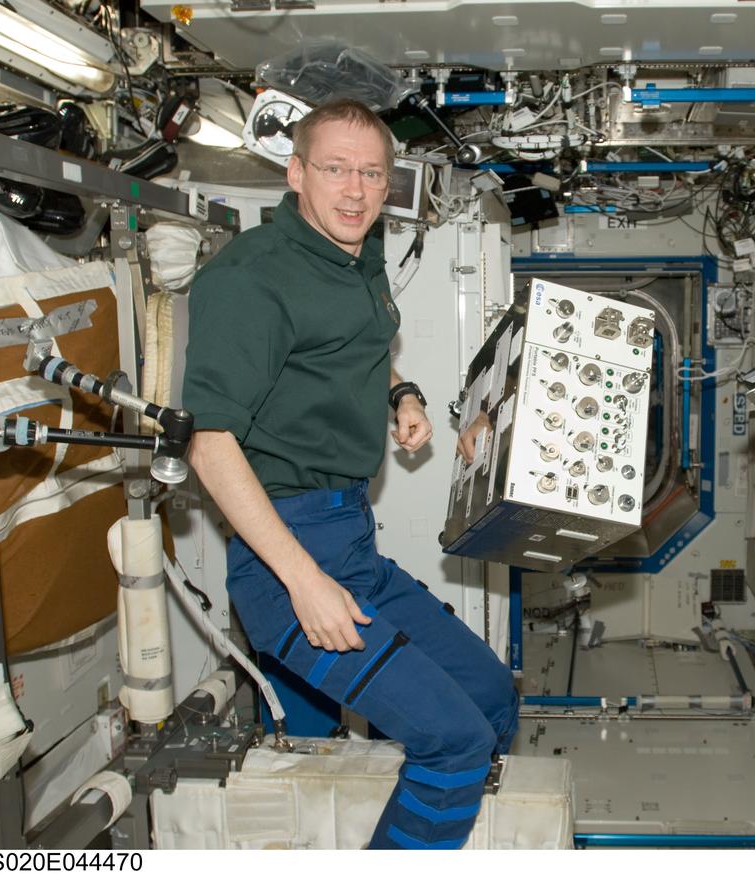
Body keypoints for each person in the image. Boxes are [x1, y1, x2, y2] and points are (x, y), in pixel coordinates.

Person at [182, 98, 518, 850]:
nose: (356, 190)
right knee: (455, 744)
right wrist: (304, 582)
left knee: (492, 697)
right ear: (296, 173)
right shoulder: (249, 280)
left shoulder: (357, 251)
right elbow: (209, 444)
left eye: (372, 173)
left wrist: (399, 396)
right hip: (287, 562)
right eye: (335, 169)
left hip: (350, 542)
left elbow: (357, 349)